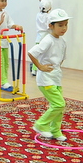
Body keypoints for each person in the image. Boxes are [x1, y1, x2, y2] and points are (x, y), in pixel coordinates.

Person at [30, 8, 72, 142]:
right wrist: (40, 67)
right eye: (60, 25)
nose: (64, 28)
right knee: (59, 104)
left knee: (60, 107)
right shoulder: (47, 40)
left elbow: (61, 59)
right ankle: (41, 124)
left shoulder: (62, 41)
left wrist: (56, 70)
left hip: (56, 78)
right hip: (46, 80)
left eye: (66, 24)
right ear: (51, 26)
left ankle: (55, 130)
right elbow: (32, 53)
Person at [32, 0, 53, 75]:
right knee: (45, 55)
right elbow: (49, 26)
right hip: (45, 37)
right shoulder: (49, 16)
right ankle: (43, 68)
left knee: (36, 54)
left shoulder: (38, 15)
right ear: (50, 8)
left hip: (38, 37)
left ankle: (34, 70)